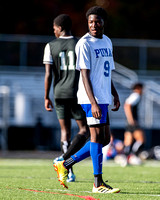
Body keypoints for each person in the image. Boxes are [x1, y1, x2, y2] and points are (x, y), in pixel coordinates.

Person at [53, 6, 120, 194]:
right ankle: (97, 183)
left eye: (97, 21)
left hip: (104, 97)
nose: (93, 24)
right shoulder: (84, 43)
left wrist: (114, 93)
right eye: (90, 21)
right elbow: (84, 74)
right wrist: (93, 102)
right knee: (97, 138)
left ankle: (65, 164)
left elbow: (107, 72)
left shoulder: (107, 41)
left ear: (103, 22)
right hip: (92, 98)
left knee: (104, 139)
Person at [43, 14, 89, 182]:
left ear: (60, 28)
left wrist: (46, 96)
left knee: (65, 131)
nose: (53, 32)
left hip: (59, 93)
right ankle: (65, 162)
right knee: (84, 130)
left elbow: (48, 74)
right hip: (76, 93)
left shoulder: (50, 46)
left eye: (54, 29)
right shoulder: (79, 44)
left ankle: (68, 172)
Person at [123, 83, 145, 164]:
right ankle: (134, 156)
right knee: (141, 140)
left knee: (128, 141)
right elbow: (127, 106)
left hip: (129, 122)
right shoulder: (136, 95)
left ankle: (125, 159)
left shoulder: (132, 95)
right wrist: (131, 120)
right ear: (139, 88)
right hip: (132, 121)